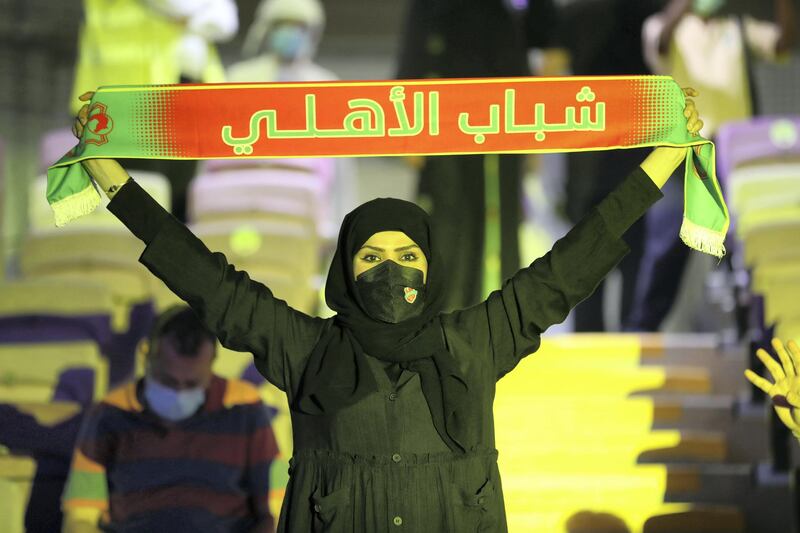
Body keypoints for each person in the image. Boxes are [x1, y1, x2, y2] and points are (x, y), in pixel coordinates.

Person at [70, 89, 703, 531]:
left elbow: (571, 265)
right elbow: (211, 283)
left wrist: (664, 161)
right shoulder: (306, 350)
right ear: (344, 270)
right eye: (370, 257)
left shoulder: (476, 340)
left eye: (406, 254)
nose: (390, 269)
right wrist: (110, 179)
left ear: (431, 267)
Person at [626, 0, 797, 331]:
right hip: (683, 154)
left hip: (733, 159)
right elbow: (659, 41)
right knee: (665, 249)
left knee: (741, 249)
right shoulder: (663, 26)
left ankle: (748, 333)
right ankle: (639, 331)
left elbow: (782, 43)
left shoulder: (737, 26)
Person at [61, 306, 279, 533]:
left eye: (192, 384)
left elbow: (275, 510)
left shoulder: (245, 407)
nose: (179, 392)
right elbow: (81, 515)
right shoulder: (108, 413)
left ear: (211, 364)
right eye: (168, 381)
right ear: (146, 356)